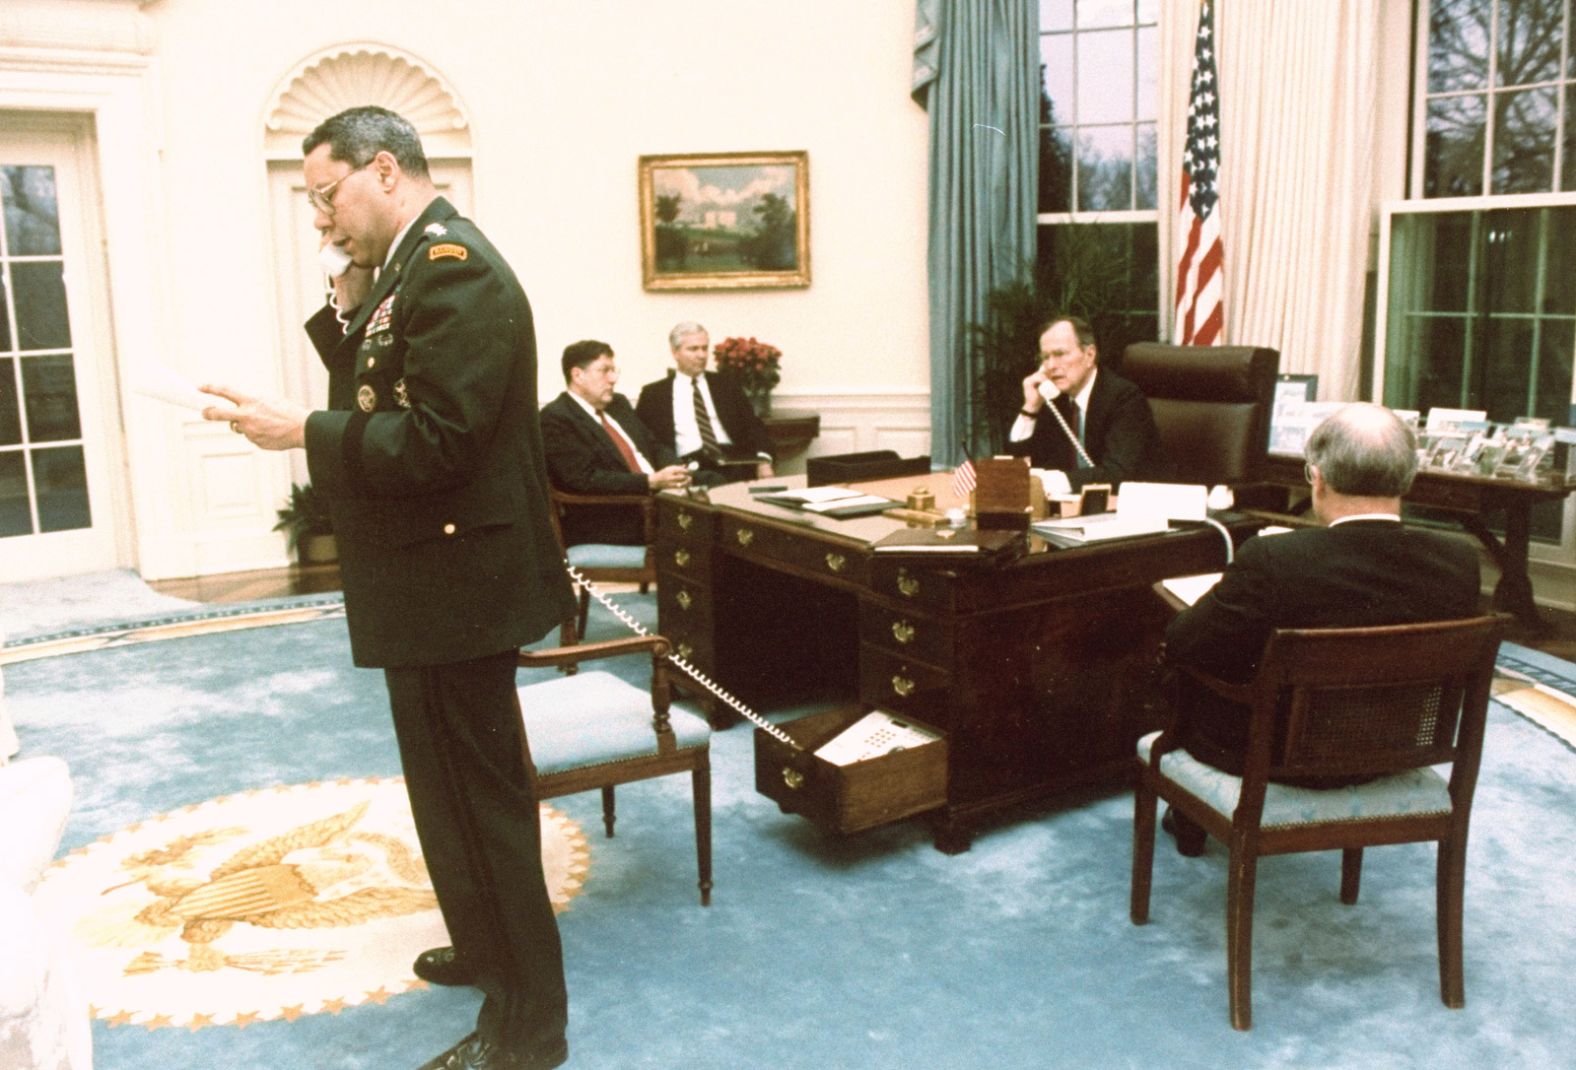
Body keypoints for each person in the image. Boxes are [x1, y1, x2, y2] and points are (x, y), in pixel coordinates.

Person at [201, 105, 573, 1070]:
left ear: (385, 172)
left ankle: (530, 1031)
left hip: (463, 586)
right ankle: (487, 948)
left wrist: (302, 435)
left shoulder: (458, 271)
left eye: (327, 196)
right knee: (441, 792)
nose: (321, 219)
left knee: (483, 809)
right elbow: (380, 373)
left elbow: (441, 439)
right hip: (430, 583)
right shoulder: (408, 266)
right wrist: (346, 296)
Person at [1159, 402, 1481, 854]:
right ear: (1409, 478)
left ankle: (1189, 819)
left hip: (1267, 760)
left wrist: (1241, 587)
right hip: (1392, 750)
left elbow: (1184, 642)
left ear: (1318, 478)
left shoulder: (1274, 559)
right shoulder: (1460, 561)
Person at [540, 340, 694, 546]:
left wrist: (676, 471)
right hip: (615, 517)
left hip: (661, 497)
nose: (613, 379)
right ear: (578, 375)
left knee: (718, 484)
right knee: (712, 530)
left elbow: (654, 446)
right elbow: (585, 479)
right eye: (604, 371)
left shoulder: (618, 404)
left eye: (614, 370)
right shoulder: (556, 418)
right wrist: (650, 482)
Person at [1006, 315, 1168, 490]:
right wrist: (1031, 407)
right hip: (1069, 510)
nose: (1051, 365)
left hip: (1134, 507)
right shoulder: (1053, 399)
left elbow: (1118, 473)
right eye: (1045, 357)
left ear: (1089, 355)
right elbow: (1018, 463)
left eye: (1060, 354)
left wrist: (1053, 481)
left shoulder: (1124, 398)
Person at [635, 321, 775, 482]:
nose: (702, 355)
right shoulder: (653, 395)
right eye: (693, 349)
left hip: (734, 463)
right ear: (675, 353)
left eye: (704, 348)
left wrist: (764, 461)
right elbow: (644, 442)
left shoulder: (727, 385)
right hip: (688, 469)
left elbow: (754, 427)